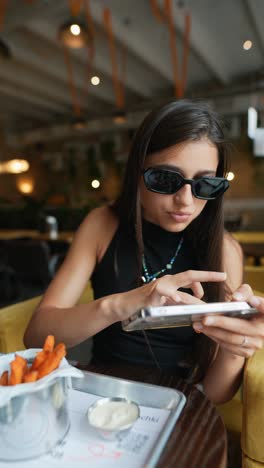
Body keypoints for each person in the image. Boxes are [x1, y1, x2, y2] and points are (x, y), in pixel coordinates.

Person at [24, 100, 264, 404]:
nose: (186, 202)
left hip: (178, 403)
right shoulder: (102, 224)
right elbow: (35, 337)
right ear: (138, 172)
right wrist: (121, 305)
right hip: (102, 395)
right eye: (166, 179)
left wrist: (235, 349)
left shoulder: (225, 250)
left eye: (205, 184)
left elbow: (216, 395)